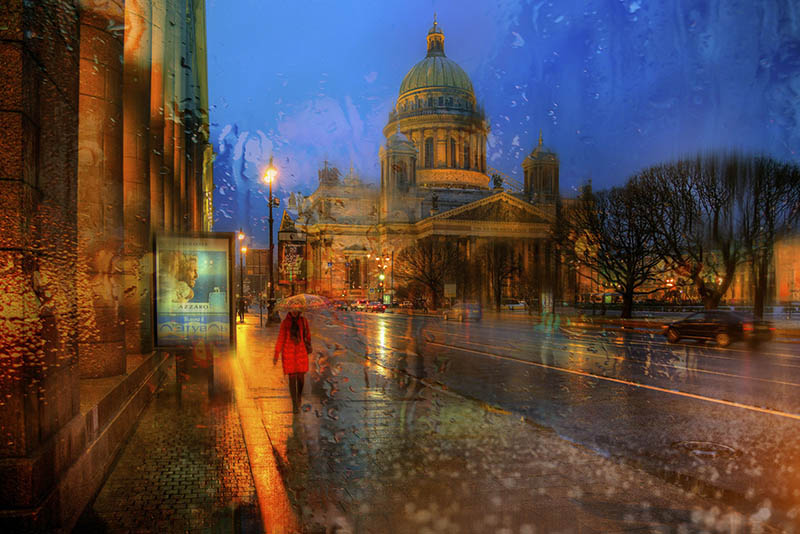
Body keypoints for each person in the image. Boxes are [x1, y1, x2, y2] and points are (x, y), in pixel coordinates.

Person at [273, 310, 312, 413]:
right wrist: (277, 353)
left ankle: (299, 396)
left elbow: (308, 336)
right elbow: (281, 338)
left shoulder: (303, 321)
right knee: (292, 378)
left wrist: (307, 341)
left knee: (300, 378)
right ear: (290, 310)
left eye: (297, 308)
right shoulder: (285, 323)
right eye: (293, 308)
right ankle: (294, 403)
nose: (295, 310)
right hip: (288, 353)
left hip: (301, 352)